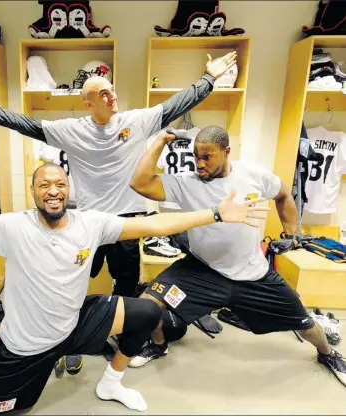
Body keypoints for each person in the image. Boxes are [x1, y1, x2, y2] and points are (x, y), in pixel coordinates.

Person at [0, 163, 269, 415]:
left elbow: (151, 223)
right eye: (44, 185)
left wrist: (214, 214)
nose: (53, 190)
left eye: (59, 183)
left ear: (68, 189)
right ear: (34, 192)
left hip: (75, 322)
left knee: (149, 312)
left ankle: (110, 383)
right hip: (26, 346)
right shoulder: (9, 228)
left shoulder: (91, 223)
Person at [0, 51, 237, 371]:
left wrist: (210, 78)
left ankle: (124, 334)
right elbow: (27, 125)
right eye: (103, 93)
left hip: (127, 221)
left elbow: (177, 104)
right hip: (87, 221)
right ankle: (71, 336)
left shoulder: (135, 122)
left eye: (112, 89)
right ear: (89, 103)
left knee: (126, 284)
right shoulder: (71, 129)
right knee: (75, 281)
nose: (112, 96)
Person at [126, 126, 346, 388]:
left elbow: (284, 194)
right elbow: (139, 182)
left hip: (253, 275)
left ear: (226, 151)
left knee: (305, 323)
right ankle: (159, 346)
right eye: (196, 156)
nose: (199, 163)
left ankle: (328, 355)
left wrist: (292, 233)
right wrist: (160, 140)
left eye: (207, 157)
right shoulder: (187, 183)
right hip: (202, 271)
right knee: (148, 304)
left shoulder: (254, 176)